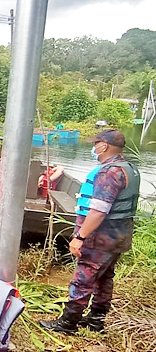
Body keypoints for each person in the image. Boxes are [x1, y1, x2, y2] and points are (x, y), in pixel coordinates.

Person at [40, 130, 140, 334]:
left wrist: (80, 237)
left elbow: (98, 211)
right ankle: (96, 320)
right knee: (105, 278)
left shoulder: (109, 172)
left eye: (96, 144)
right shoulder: (129, 169)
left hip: (100, 238)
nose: (94, 148)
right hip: (119, 236)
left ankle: (68, 323)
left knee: (83, 279)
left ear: (104, 146)